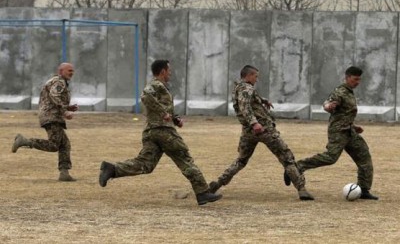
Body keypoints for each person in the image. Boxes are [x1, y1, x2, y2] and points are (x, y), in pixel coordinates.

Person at [99, 59, 222, 206]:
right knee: (184, 158)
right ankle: (202, 192)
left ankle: (112, 169)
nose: (170, 73)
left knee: (145, 164)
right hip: (163, 131)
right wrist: (163, 113)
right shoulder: (156, 85)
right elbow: (146, 96)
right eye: (169, 70)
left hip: (152, 132)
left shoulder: (161, 87)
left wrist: (175, 119)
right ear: (163, 71)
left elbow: (163, 109)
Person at [209, 65, 314, 201]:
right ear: (248, 76)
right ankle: (302, 189)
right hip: (263, 129)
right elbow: (245, 106)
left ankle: (218, 183)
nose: (256, 79)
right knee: (286, 157)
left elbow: (247, 101)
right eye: (255, 76)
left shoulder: (240, 87)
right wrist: (255, 123)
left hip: (248, 132)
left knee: (241, 161)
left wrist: (262, 100)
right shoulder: (246, 88)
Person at [284, 66, 378, 200]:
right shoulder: (339, 92)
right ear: (347, 77)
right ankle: (296, 167)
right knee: (330, 157)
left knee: (364, 158)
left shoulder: (350, 92)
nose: (357, 82)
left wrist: (354, 126)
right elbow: (327, 104)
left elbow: (345, 113)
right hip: (338, 132)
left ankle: (363, 189)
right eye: (355, 79)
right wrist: (328, 107)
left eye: (359, 80)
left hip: (349, 131)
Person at [12, 62, 79, 182]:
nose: (71, 73)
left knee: (65, 144)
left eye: (72, 70)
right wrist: (64, 111)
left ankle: (64, 173)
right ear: (61, 71)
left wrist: (68, 107)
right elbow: (54, 96)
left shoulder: (56, 81)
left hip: (50, 115)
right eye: (69, 70)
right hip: (51, 116)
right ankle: (25, 141)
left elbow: (51, 99)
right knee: (54, 145)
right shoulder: (59, 82)